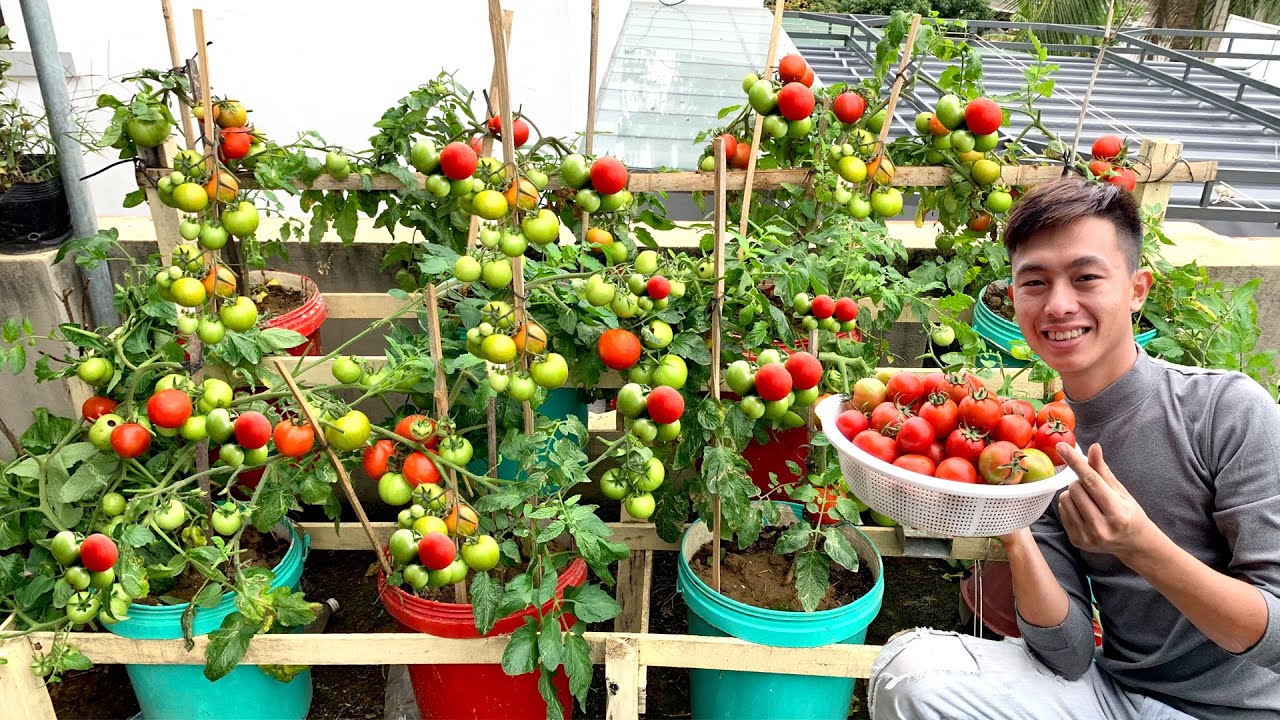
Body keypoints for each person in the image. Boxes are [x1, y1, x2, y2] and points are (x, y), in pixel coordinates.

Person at [868, 177, 1280, 719]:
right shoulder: (1039, 445)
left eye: (1086, 277)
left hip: (1234, 712)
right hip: (1115, 696)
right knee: (909, 671)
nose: (1059, 305)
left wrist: (1139, 547)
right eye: (1034, 283)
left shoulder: (1225, 410)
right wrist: (1010, 522)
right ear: (1014, 298)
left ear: (1137, 289)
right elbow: (1067, 655)